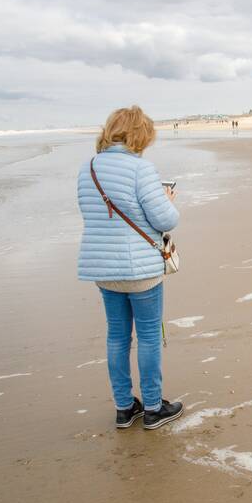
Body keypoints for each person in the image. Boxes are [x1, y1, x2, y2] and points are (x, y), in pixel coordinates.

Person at [76, 106, 183, 430]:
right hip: (140, 269)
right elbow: (165, 220)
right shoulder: (141, 169)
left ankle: (124, 408)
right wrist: (167, 199)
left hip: (103, 267)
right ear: (140, 134)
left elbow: (93, 216)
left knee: (117, 336)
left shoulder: (88, 168)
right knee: (148, 336)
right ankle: (153, 407)